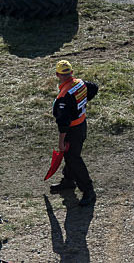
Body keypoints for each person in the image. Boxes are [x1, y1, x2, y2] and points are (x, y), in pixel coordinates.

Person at [50, 60, 99, 207]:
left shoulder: (63, 96)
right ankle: (68, 181)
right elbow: (94, 88)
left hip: (73, 130)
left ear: (57, 74)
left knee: (73, 158)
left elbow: (63, 123)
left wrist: (61, 141)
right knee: (70, 156)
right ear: (71, 72)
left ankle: (88, 190)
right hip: (82, 125)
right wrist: (82, 103)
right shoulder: (80, 83)